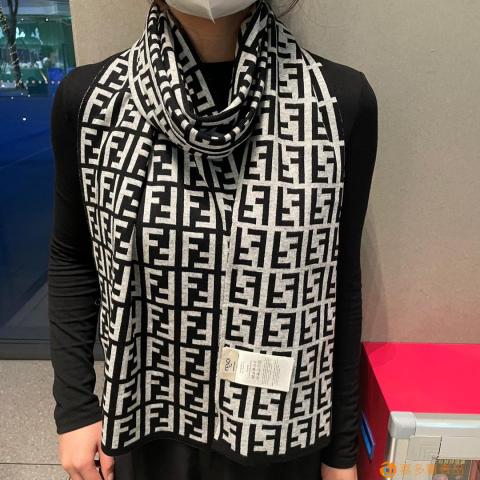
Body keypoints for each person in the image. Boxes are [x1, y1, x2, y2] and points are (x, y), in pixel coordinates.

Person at [47, 0, 378, 479]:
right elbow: (73, 256)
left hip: (282, 431)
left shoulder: (339, 103)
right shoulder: (92, 101)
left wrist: (341, 453)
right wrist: (75, 408)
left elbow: (339, 283)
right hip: (148, 424)